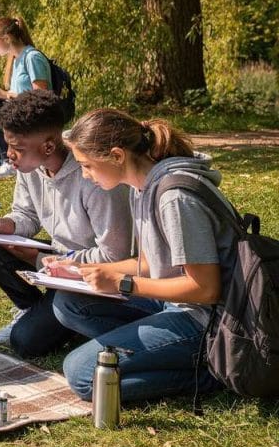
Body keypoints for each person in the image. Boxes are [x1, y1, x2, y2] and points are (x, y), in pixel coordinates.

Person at [49, 109, 233, 402]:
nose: (84, 175)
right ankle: (156, 352)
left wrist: (123, 283)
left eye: (87, 166)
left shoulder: (174, 198)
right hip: (172, 302)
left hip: (207, 320)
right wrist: (82, 267)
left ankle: (212, 372)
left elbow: (206, 289)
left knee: (84, 375)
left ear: (117, 156)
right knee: (69, 304)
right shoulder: (140, 187)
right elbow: (149, 263)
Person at [0, 90, 132, 358]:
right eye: (8, 145)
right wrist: (3, 225)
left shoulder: (94, 176)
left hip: (93, 273)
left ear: (48, 147)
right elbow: (26, 214)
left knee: (25, 343)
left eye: (17, 148)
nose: (9, 155)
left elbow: (114, 255)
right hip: (58, 259)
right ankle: (38, 312)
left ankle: (63, 318)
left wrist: (40, 258)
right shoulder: (31, 168)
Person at [0, 17, 52, 177]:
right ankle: (10, 158)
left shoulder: (32, 57)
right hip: (20, 112)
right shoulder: (16, 60)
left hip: (35, 116)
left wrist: (6, 94)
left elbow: (41, 97)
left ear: (6, 38)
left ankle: (9, 160)